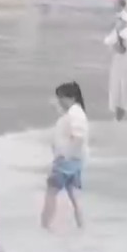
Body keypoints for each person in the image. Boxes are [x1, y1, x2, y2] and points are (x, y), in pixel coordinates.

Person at [41, 82, 88, 231]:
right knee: (75, 196)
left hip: (65, 162)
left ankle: (45, 227)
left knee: (51, 193)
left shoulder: (74, 114)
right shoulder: (76, 112)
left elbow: (77, 137)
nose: (59, 101)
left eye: (61, 98)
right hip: (75, 162)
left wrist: (65, 155)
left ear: (71, 97)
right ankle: (82, 227)